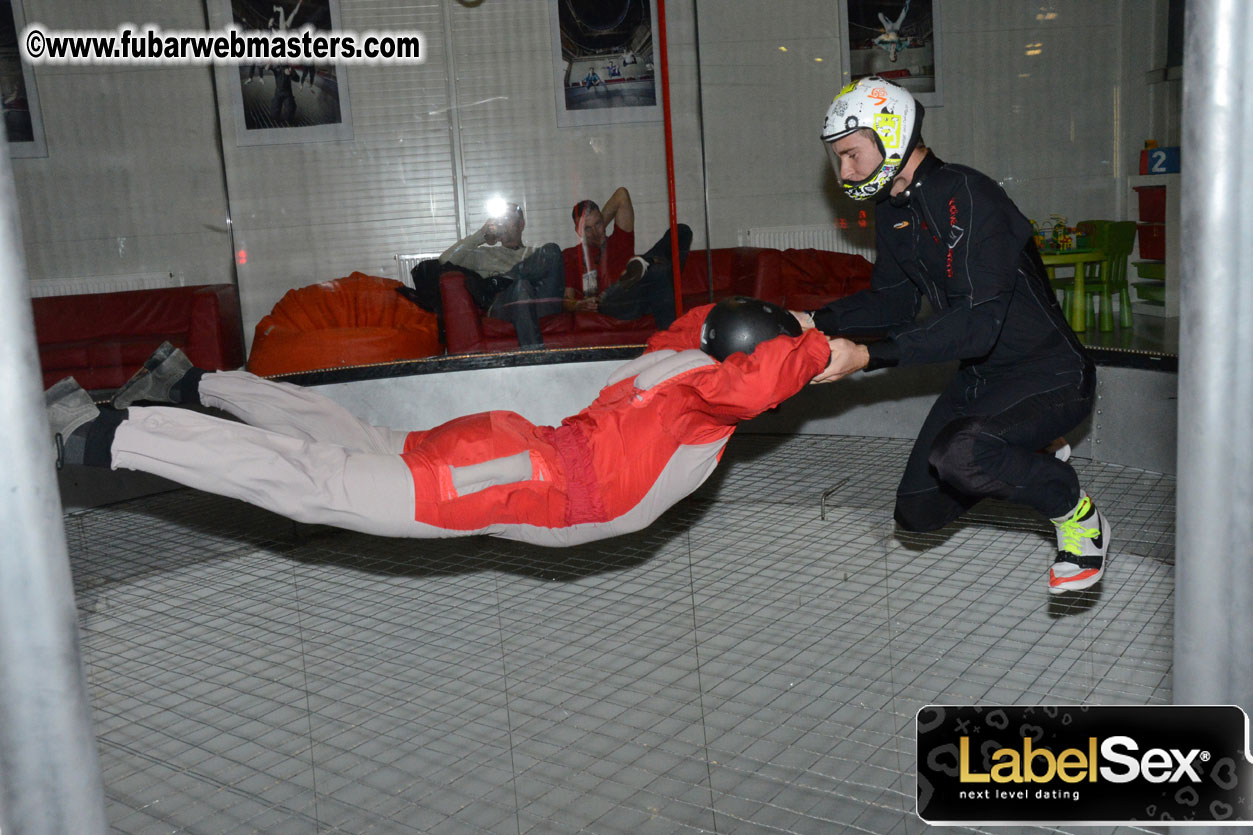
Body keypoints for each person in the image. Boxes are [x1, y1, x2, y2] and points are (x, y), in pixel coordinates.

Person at [45, 298, 828, 546]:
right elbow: (762, 379)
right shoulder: (706, 406)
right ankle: (109, 437)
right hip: (512, 480)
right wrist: (835, 349)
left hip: (508, 446)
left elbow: (722, 334)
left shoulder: (673, 356)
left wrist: (796, 324)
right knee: (315, 482)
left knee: (346, 434)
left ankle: (198, 384)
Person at [795, 76, 1108, 595]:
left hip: (1051, 374)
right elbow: (892, 302)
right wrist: (813, 320)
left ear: (890, 134)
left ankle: (1075, 513)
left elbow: (975, 327)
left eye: (851, 155)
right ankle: (1030, 450)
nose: (844, 172)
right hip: (984, 378)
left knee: (963, 456)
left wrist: (869, 355)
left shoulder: (970, 195)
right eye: (839, 160)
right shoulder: (892, 211)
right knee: (917, 512)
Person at [562, 186, 693, 331]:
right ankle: (645, 263)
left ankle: (643, 265)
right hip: (613, 302)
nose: (594, 232)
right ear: (578, 231)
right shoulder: (572, 255)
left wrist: (599, 228)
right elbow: (567, 299)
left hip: (644, 294)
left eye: (598, 224)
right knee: (658, 270)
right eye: (587, 228)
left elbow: (621, 194)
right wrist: (579, 305)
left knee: (681, 232)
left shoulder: (619, 239)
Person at [438, 203, 565, 348]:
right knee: (521, 286)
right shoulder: (485, 255)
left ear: (521, 225)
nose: (503, 224)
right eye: (500, 220)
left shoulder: (535, 255)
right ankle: (535, 359)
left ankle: (508, 278)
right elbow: (445, 260)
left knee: (552, 249)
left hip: (540, 303)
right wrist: (481, 235)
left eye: (508, 219)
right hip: (505, 306)